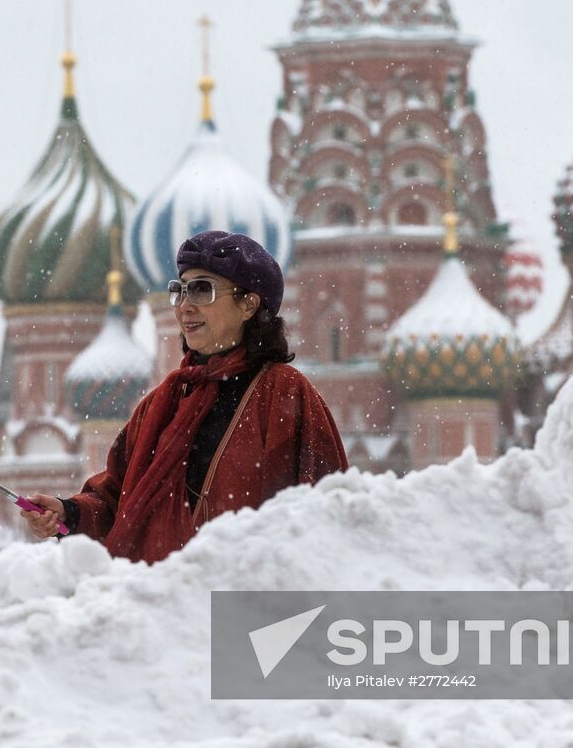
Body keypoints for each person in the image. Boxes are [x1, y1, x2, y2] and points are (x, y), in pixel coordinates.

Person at [19, 229, 348, 564]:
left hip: (247, 588)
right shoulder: (162, 403)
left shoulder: (285, 393)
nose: (185, 307)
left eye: (202, 290)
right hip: (162, 589)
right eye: (180, 291)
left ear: (249, 304)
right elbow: (118, 500)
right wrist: (69, 512)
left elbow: (328, 512)